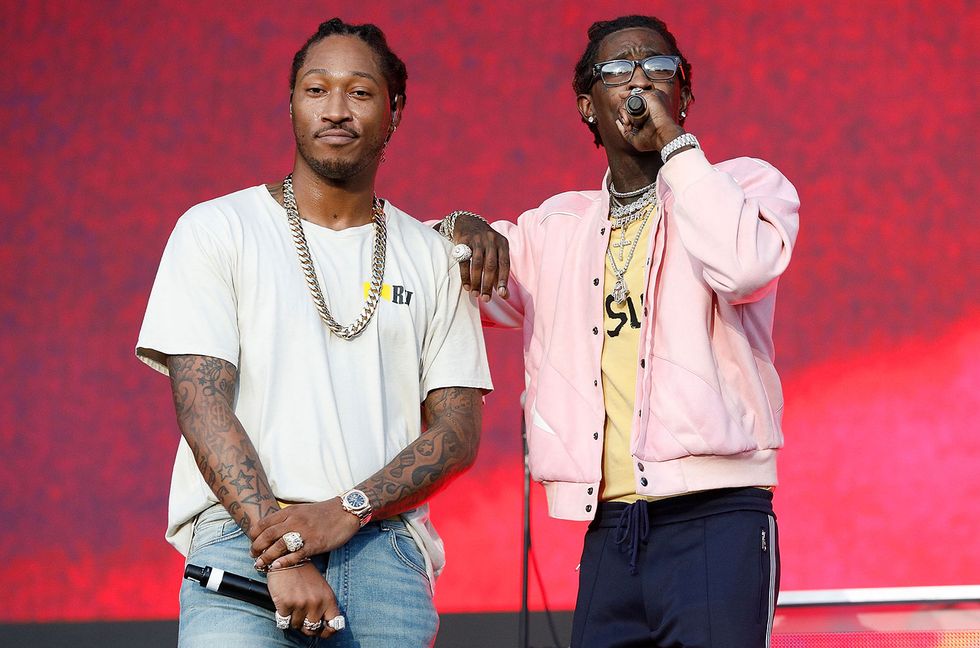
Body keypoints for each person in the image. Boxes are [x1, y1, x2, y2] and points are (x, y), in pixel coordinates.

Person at [442, 14, 800, 648]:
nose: (640, 80)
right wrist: (459, 226)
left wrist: (676, 148)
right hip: (610, 528)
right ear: (588, 104)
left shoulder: (742, 185)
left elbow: (742, 266)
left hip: (716, 515)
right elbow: (455, 278)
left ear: (683, 94)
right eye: (618, 70)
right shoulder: (557, 228)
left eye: (659, 68)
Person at [135, 17, 491, 647]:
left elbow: (458, 435)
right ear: (291, 103)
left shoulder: (435, 256)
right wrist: (285, 547)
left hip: (382, 549)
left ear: (394, 110)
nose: (335, 110)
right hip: (244, 540)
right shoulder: (218, 229)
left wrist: (346, 511)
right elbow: (201, 404)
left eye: (358, 92)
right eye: (315, 89)